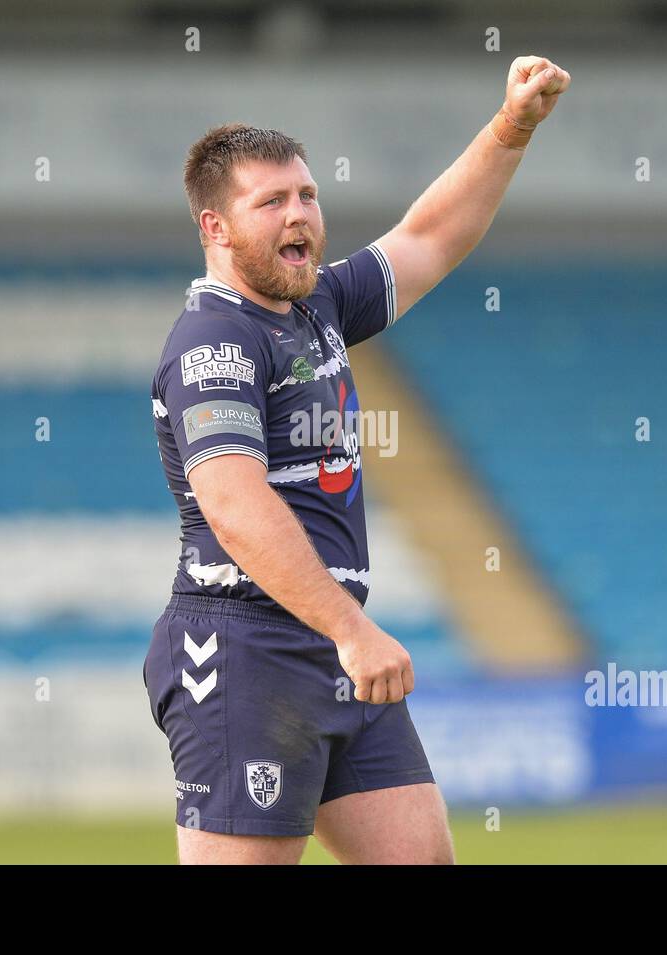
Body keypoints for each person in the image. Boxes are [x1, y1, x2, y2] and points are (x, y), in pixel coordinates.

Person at [144, 55, 570, 864]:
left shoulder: (318, 308)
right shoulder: (214, 340)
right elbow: (234, 506)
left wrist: (512, 127)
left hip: (332, 645)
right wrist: (351, 629)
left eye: (307, 194)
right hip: (244, 649)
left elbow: (430, 236)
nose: (299, 213)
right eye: (271, 201)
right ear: (216, 227)